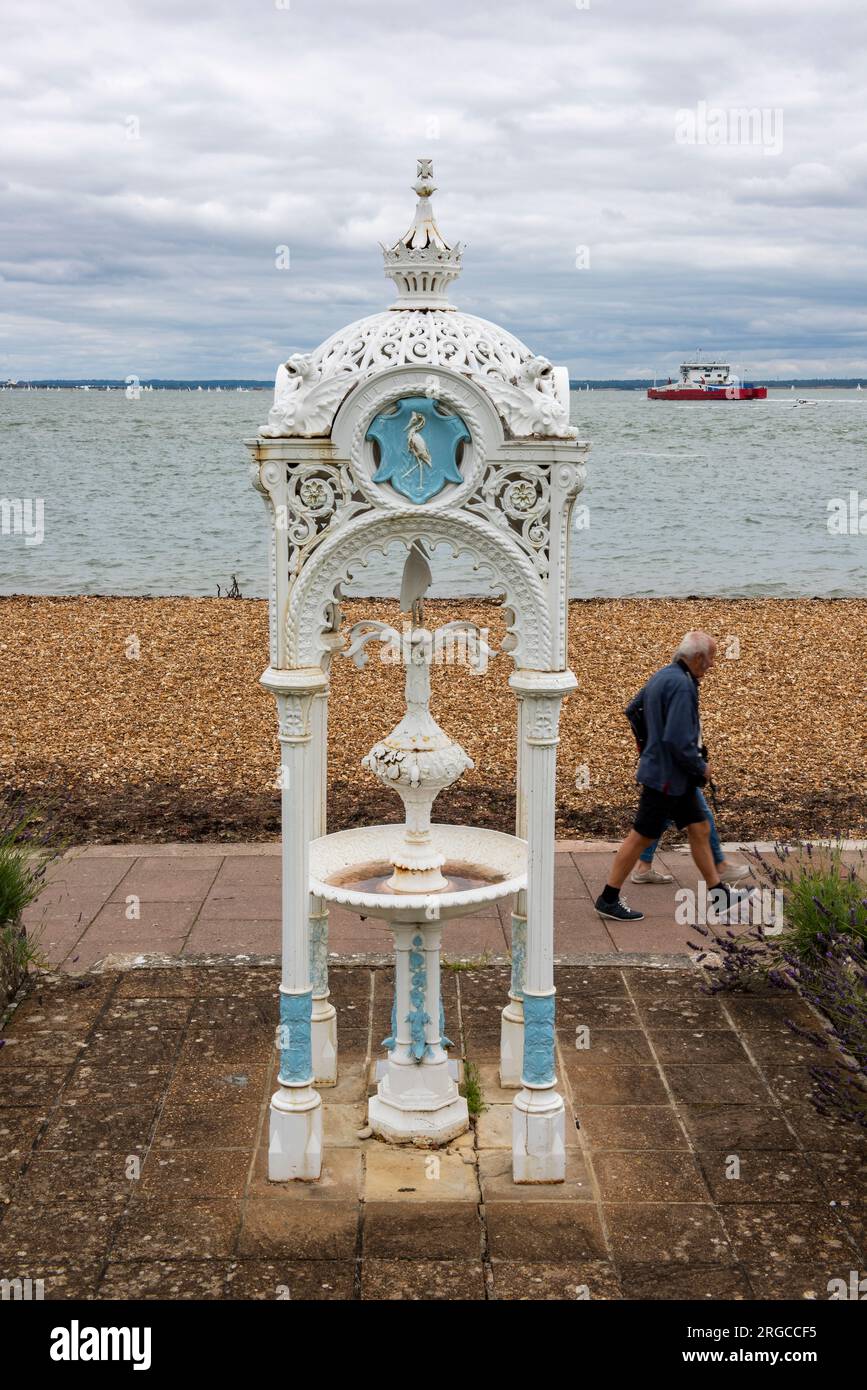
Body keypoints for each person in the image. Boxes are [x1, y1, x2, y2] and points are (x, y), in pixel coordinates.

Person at [594, 631, 751, 923]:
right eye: (711, 658)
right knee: (641, 836)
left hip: (670, 775)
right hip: (666, 779)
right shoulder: (682, 685)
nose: (713, 664)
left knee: (700, 828)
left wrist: (647, 745)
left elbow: (633, 709)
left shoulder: (663, 675)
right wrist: (700, 767)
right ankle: (608, 898)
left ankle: (719, 896)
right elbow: (678, 739)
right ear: (697, 657)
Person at [631, 786, 749, 884]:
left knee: (663, 816)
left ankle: (643, 867)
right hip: (677, 771)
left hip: (667, 771)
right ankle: (720, 867)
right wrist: (700, 766)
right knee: (702, 817)